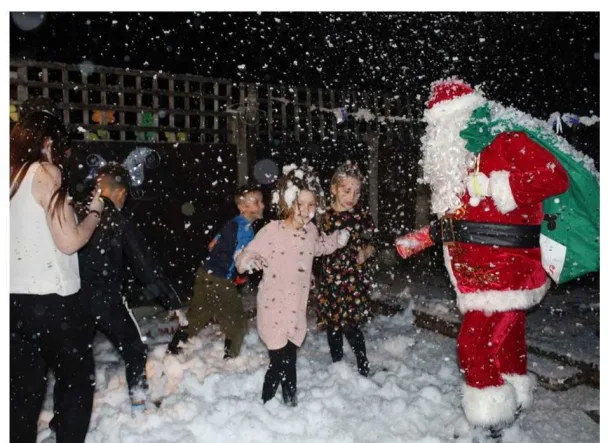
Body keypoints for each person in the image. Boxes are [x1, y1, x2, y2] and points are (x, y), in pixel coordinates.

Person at [395, 78, 571, 439]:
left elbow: (555, 176)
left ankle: (488, 419)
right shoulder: (456, 162)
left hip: (509, 272)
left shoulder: (504, 139)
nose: (438, 133)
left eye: (443, 123)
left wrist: (495, 185)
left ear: (464, 117)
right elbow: (462, 218)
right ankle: (509, 413)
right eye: (434, 127)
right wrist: (421, 240)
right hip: (475, 276)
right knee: (507, 346)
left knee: (473, 347)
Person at [10, 111, 104, 443]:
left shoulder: (10, 174)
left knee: (23, 394)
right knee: (76, 381)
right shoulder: (45, 172)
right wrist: (95, 212)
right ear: (48, 141)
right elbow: (69, 242)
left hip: (13, 304)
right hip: (53, 304)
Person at [234, 164, 350, 406]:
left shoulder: (310, 232)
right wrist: (249, 260)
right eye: (300, 204)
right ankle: (267, 403)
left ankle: (289, 403)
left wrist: (337, 241)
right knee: (279, 362)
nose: (306, 211)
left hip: (295, 310)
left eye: (311, 205)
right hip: (273, 309)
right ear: (287, 202)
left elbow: (319, 247)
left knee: (290, 359)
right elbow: (243, 258)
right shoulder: (272, 232)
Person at [74, 162, 184, 414]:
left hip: (74, 299)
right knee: (134, 348)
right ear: (121, 193)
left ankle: (69, 414)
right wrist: (173, 301)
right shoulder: (118, 221)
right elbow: (146, 267)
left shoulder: (76, 213)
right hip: (107, 300)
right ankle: (138, 404)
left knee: (76, 358)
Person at [167, 184, 265, 358]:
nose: (262, 205)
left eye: (261, 201)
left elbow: (211, 245)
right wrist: (241, 272)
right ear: (243, 207)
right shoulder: (245, 230)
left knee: (196, 317)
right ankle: (231, 358)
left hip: (204, 274)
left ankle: (173, 350)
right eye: (256, 202)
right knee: (237, 322)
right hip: (220, 280)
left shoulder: (232, 223)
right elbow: (241, 260)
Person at [315, 161, 376, 376]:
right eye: (347, 190)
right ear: (334, 189)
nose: (352, 197)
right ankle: (338, 365)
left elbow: (372, 243)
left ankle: (363, 365)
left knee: (351, 326)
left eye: (357, 192)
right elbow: (314, 246)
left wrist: (366, 252)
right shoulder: (324, 218)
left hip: (353, 281)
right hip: (331, 280)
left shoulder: (362, 217)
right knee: (333, 325)